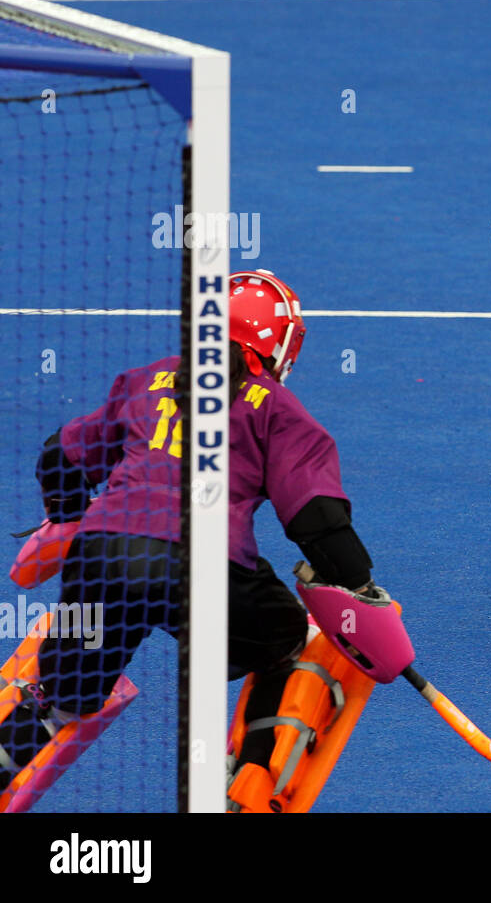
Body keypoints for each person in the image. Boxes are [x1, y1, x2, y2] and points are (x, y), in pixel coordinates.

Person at [0, 269, 408, 812]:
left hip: (100, 558)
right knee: (286, 640)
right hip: (204, 567)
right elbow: (317, 520)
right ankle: (244, 782)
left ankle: (26, 734)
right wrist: (360, 588)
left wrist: (71, 515)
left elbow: (61, 456)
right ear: (280, 345)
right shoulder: (276, 409)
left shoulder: (145, 380)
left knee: (66, 697)